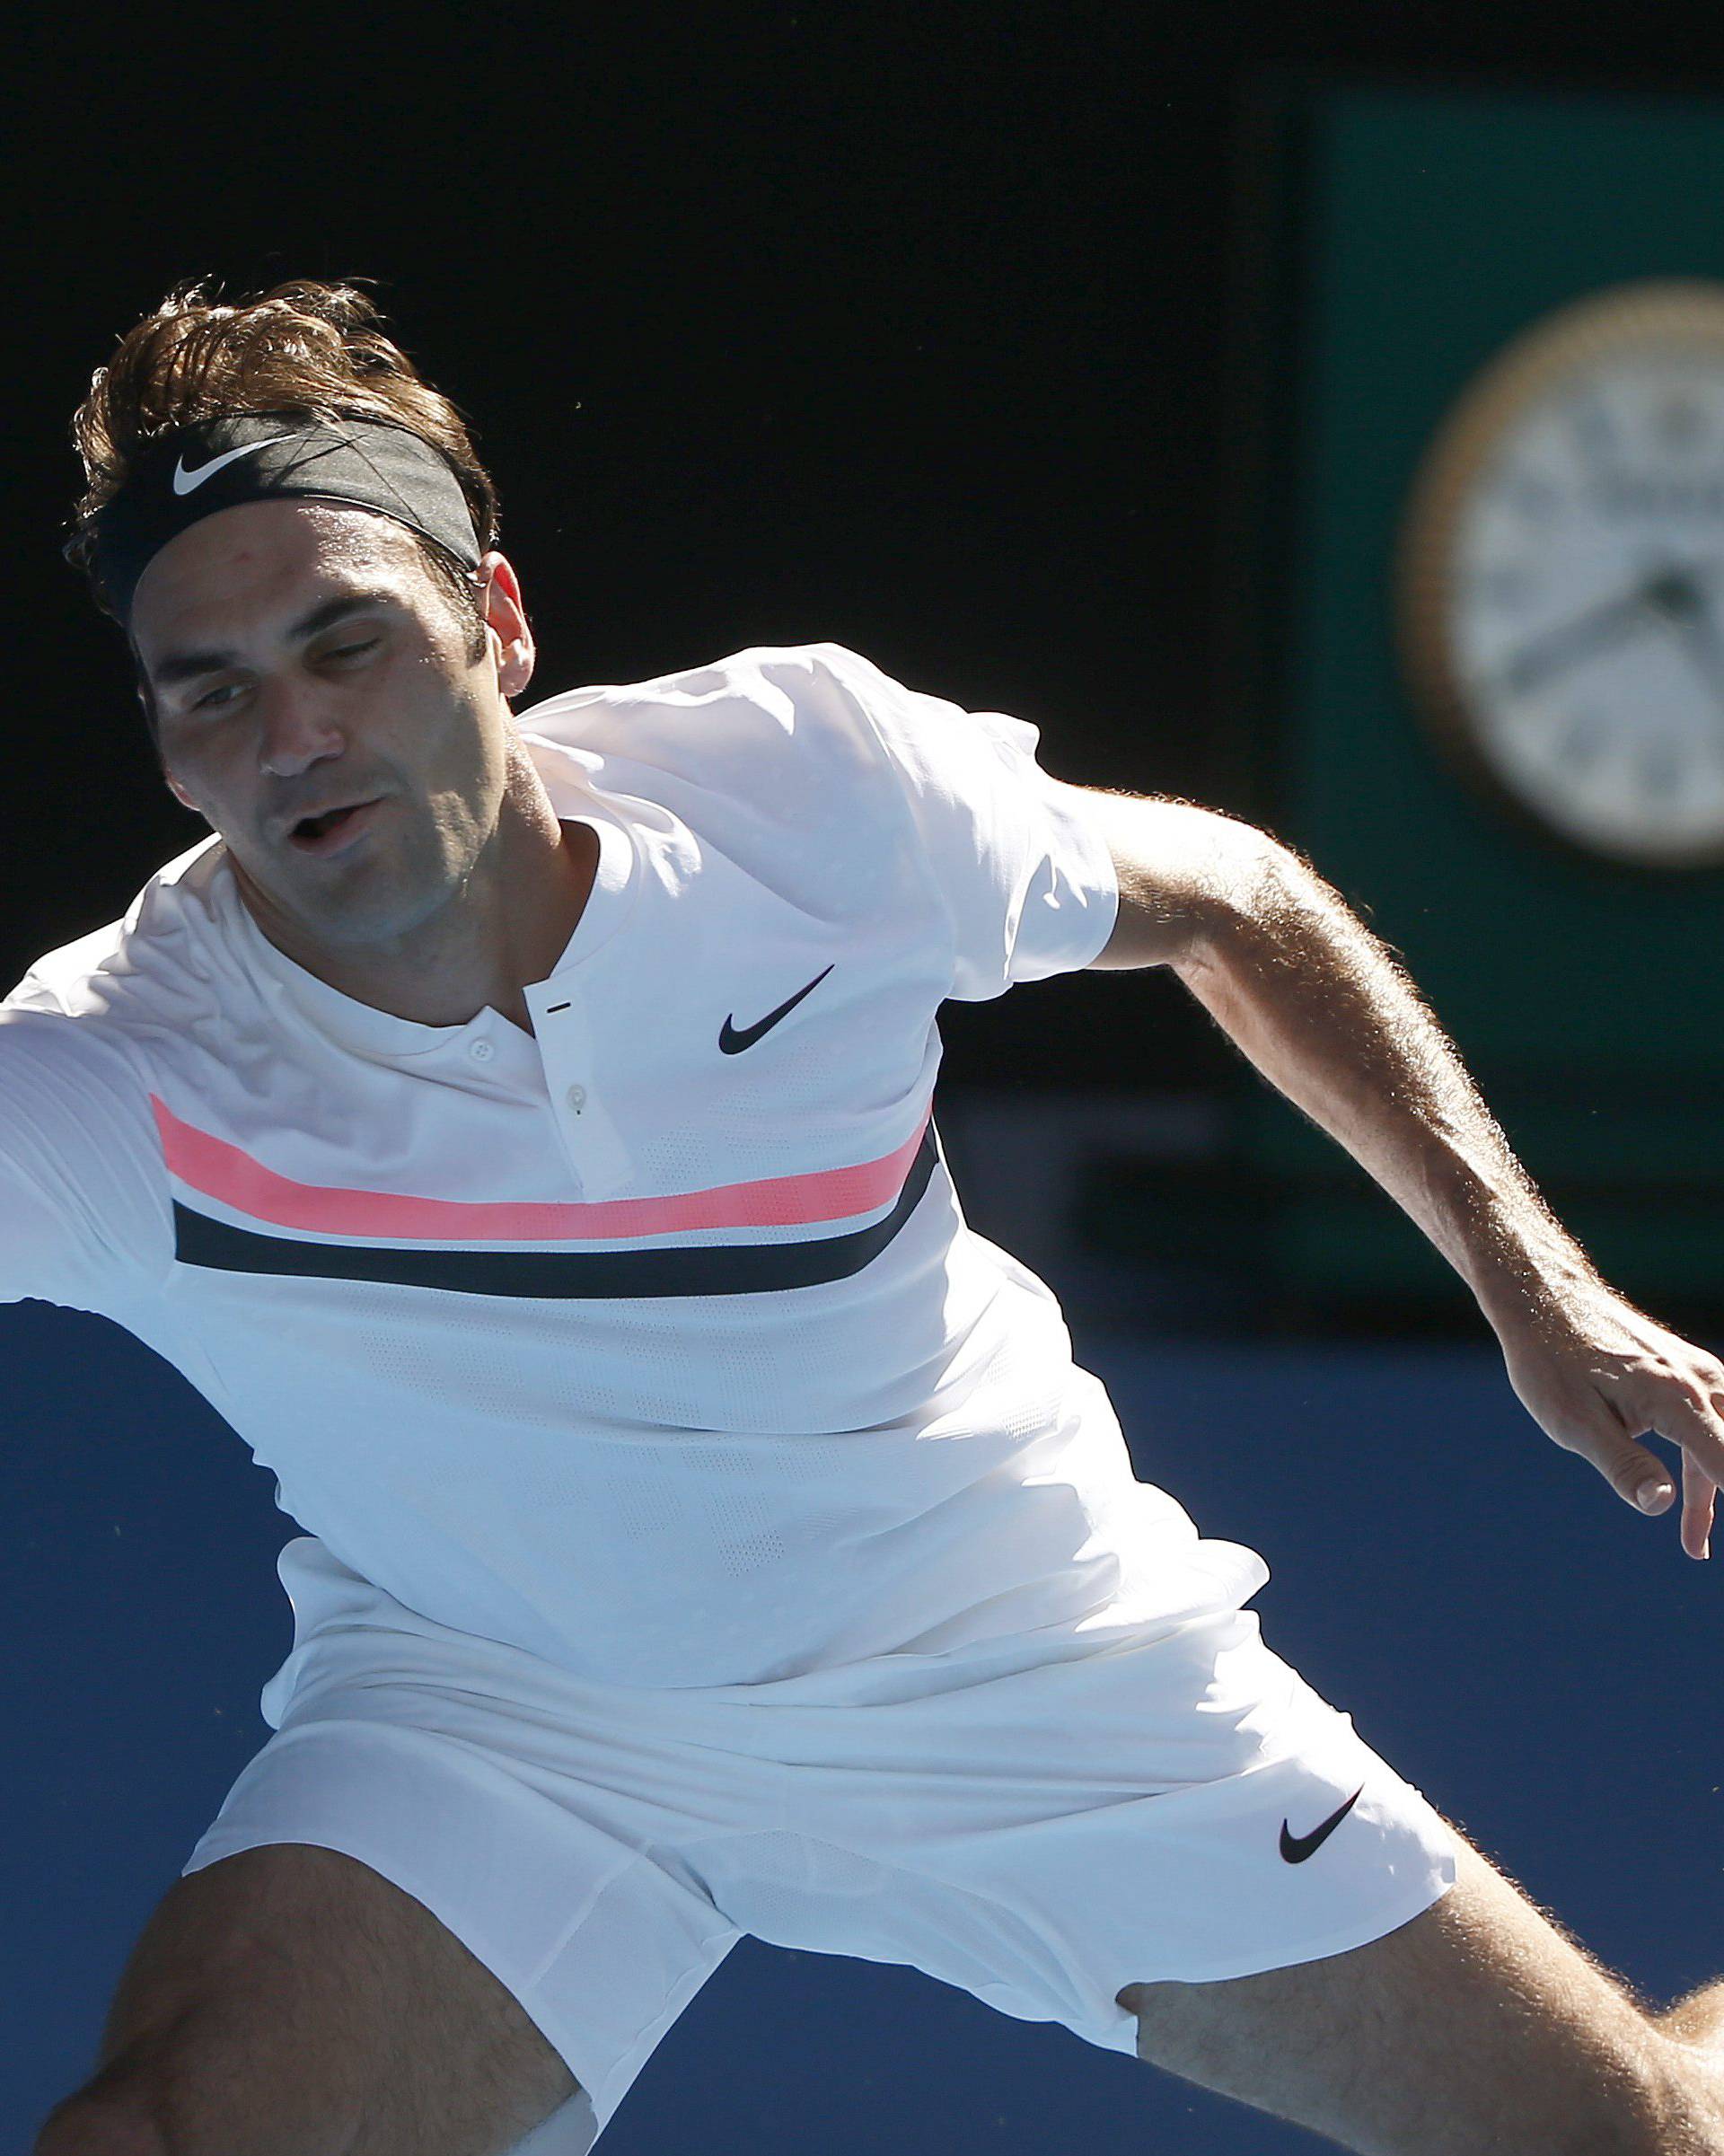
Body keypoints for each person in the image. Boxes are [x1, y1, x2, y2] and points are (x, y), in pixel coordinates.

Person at [17, 275, 1724, 2156]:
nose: (296, 734)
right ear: (168, 748)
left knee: (1635, 2141)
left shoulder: (812, 797)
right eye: (217, 690)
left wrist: (1537, 1283)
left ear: (497, 624)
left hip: (1015, 1655)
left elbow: (1232, 898)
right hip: (502, 1714)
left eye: (350, 642)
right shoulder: (115, 1080)